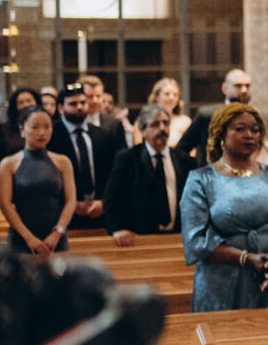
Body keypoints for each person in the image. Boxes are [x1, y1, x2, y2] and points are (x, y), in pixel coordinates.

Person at [181, 103, 268, 313]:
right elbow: (196, 239)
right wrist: (247, 258)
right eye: (240, 129)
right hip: (222, 279)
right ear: (221, 135)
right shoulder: (201, 180)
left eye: (255, 130)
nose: (249, 135)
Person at [103, 104, 190, 245]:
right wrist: (118, 228)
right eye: (155, 124)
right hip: (140, 238)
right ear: (143, 130)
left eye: (165, 123)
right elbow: (112, 198)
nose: (162, 128)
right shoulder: (127, 159)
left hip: (178, 237)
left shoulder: (184, 160)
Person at [55, 83, 120, 230]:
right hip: (64, 216)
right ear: (60, 108)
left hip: (100, 212)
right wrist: (73, 204)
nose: (79, 107)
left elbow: (113, 172)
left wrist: (103, 202)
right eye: (73, 104)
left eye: (83, 102)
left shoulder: (103, 135)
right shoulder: (53, 136)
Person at [181, 69, 253, 167]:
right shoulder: (207, 116)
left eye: (247, 86)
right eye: (238, 86)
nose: (244, 90)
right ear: (225, 88)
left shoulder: (262, 118)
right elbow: (182, 149)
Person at [144, 78, 193, 149]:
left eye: (175, 95)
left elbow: (191, 150)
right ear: (157, 96)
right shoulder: (144, 120)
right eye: (167, 94)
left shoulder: (185, 121)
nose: (171, 97)